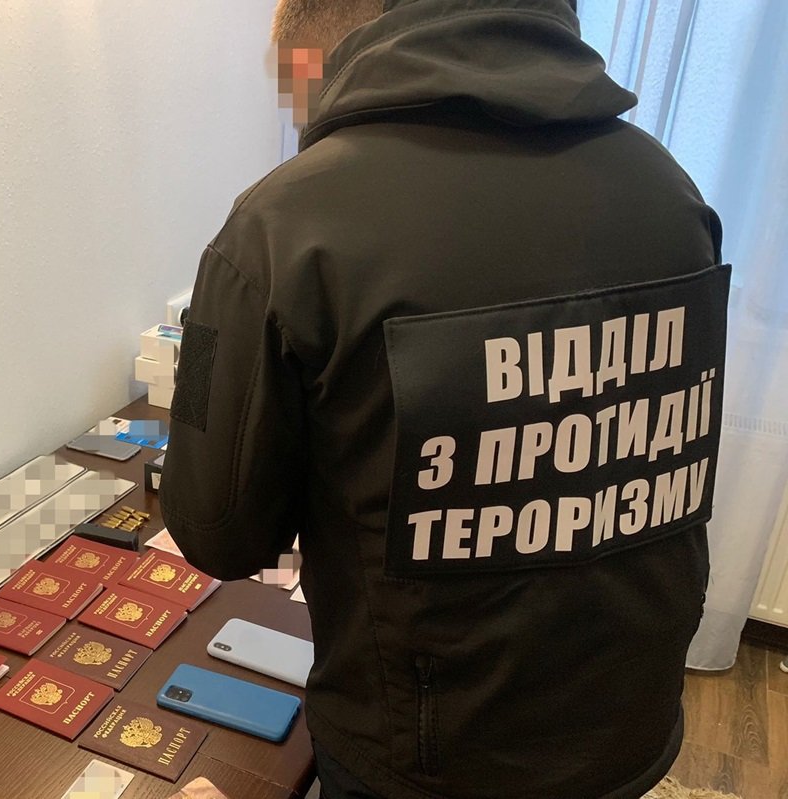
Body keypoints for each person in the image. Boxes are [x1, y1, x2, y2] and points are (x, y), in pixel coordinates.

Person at [160, 1, 730, 798]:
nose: (297, 114)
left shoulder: (283, 219)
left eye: (291, 84)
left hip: (426, 756)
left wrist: (208, 350)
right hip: (628, 718)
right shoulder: (668, 187)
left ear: (329, 51)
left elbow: (213, 528)